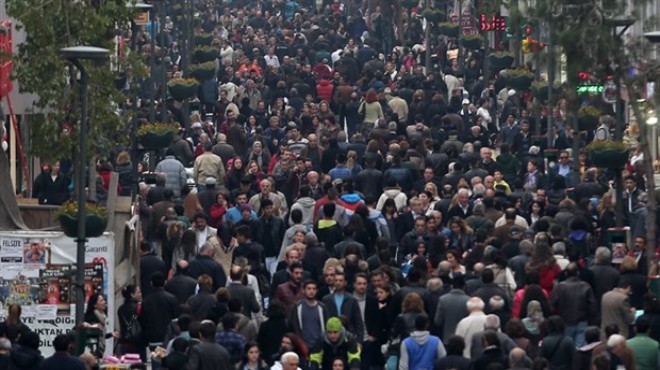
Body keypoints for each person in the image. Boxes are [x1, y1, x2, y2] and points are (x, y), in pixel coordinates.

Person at [141, 272, 179, 357]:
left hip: (152, 337)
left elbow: (143, 319)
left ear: (151, 283)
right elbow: (175, 317)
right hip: (169, 337)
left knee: (155, 360)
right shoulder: (171, 298)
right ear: (164, 282)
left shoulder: (146, 300)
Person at [83, 293, 118, 358]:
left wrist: (111, 334)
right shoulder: (91, 318)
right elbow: (94, 335)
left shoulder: (101, 317)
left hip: (98, 352)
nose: (104, 302)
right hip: (92, 354)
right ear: (95, 305)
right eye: (101, 300)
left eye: (104, 300)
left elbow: (101, 335)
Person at [117, 284, 146, 361]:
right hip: (138, 344)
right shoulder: (139, 307)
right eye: (138, 292)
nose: (140, 294)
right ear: (132, 294)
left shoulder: (120, 309)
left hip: (125, 343)